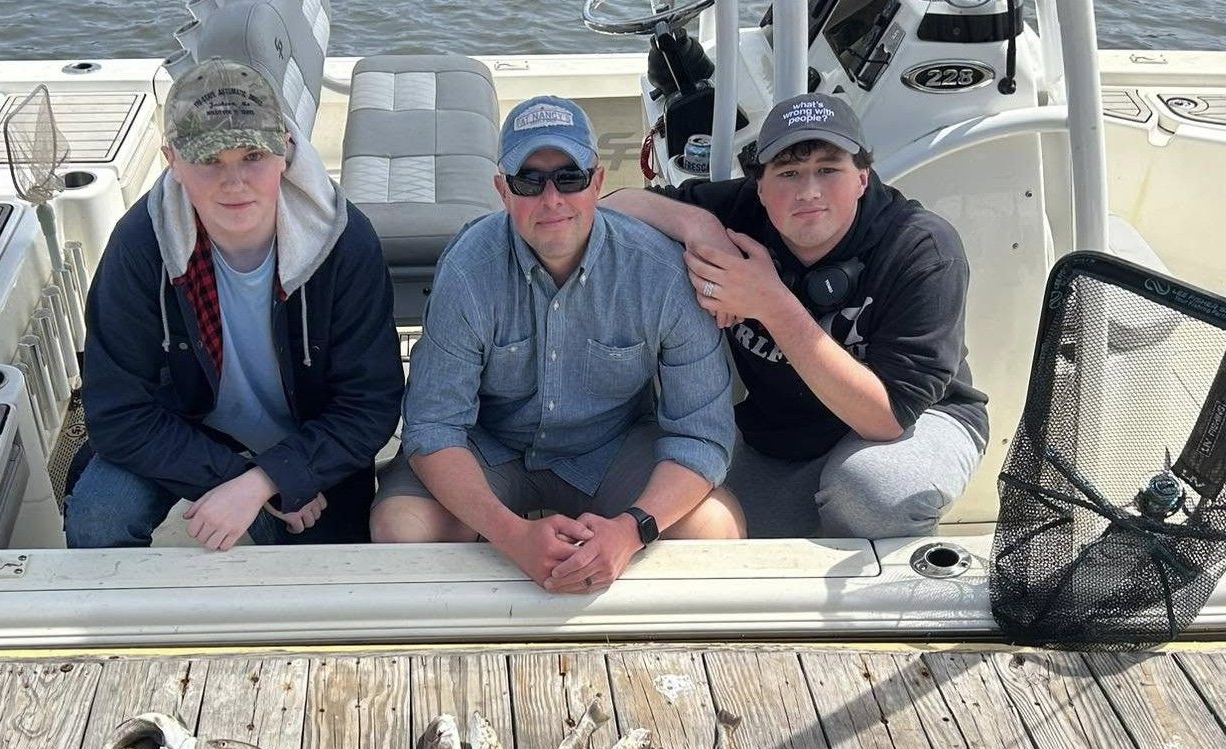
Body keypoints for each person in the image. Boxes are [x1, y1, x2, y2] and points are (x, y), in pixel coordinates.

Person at [371, 96, 743, 592]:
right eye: (530, 180)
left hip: (611, 448)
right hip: (491, 446)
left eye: (570, 177)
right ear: (503, 191)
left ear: (598, 182)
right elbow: (435, 427)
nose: (552, 200)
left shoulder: (661, 273)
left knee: (716, 528)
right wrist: (512, 535)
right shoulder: (467, 270)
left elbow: (701, 434)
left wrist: (632, 530)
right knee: (401, 533)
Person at [604, 93, 988, 540]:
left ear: (863, 177)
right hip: (780, 435)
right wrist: (700, 228)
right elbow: (613, 207)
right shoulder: (740, 213)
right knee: (688, 513)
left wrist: (771, 303)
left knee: (876, 495)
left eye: (829, 169)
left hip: (910, 426)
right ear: (760, 188)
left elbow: (887, 417)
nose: (808, 191)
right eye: (788, 173)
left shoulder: (922, 249)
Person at [65, 58, 402, 549]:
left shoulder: (343, 243)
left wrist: (272, 478)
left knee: (323, 567)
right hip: (186, 432)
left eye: (252, 156)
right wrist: (233, 477)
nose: (234, 181)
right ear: (172, 161)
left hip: (309, 439)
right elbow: (117, 412)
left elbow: (369, 407)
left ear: (285, 150)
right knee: (99, 517)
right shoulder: (141, 246)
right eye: (209, 160)